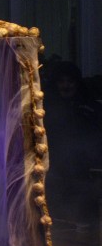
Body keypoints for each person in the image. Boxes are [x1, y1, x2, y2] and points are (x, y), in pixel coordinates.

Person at [43, 60, 102, 227]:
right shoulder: (48, 109)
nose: (66, 86)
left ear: (77, 83)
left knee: (85, 221)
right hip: (56, 170)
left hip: (85, 173)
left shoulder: (89, 107)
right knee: (58, 221)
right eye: (61, 81)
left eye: (70, 81)